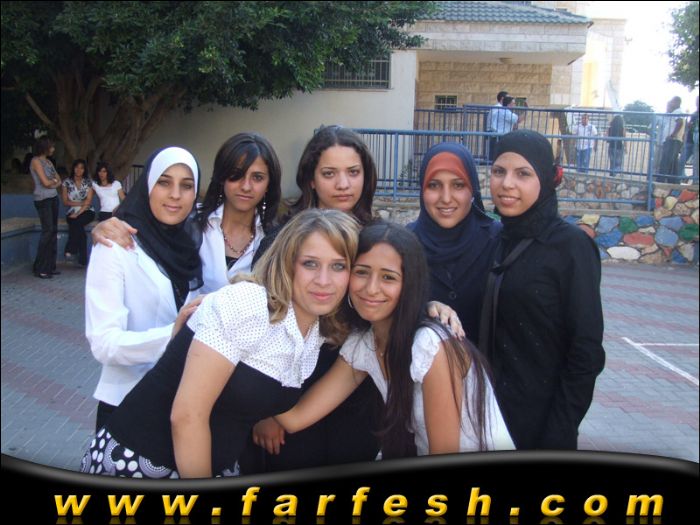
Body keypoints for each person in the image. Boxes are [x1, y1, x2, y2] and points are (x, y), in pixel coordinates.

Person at [80, 209, 360, 478]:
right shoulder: (248, 304)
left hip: (210, 467)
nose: (324, 280)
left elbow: (292, 418)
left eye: (338, 266)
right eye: (310, 263)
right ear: (288, 263)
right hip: (140, 464)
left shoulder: (311, 333)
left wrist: (370, 354)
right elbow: (187, 415)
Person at [275, 221, 515, 456]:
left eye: (388, 277)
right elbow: (295, 418)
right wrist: (257, 349)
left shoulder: (429, 346)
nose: (371, 288)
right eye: (361, 272)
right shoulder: (365, 344)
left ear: (409, 284)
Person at [480, 130, 605, 450]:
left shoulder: (570, 247)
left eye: (523, 174)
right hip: (490, 421)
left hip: (543, 429)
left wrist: (560, 430)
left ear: (547, 180)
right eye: (499, 171)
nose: (507, 184)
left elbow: (586, 351)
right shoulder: (497, 239)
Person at [85, 146, 204, 430]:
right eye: (164, 182)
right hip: (129, 404)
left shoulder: (190, 245)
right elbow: (104, 344)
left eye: (186, 186)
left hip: (183, 406)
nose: (175, 194)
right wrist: (173, 335)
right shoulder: (115, 245)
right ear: (148, 185)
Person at [90, 133, 282, 291]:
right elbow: (144, 228)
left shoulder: (276, 240)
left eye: (257, 177)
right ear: (222, 177)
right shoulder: (187, 220)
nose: (246, 186)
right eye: (236, 174)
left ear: (269, 184)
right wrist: (104, 228)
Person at [407, 142, 501, 343]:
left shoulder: (499, 241)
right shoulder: (404, 245)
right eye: (434, 185)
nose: (446, 198)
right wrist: (424, 309)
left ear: (473, 189)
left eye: (458, 185)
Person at [29, 136, 62, 279]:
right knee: (47, 231)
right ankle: (40, 268)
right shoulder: (36, 161)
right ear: (45, 147)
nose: (53, 149)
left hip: (53, 198)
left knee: (53, 231)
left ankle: (50, 266)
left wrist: (53, 182)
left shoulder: (49, 162)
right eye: (51, 146)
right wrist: (53, 181)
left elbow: (59, 181)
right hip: (43, 199)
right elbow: (45, 182)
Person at [61, 159, 95, 266]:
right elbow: (65, 201)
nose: (79, 170)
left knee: (76, 223)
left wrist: (78, 212)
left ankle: (70, 248)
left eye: (81, 168)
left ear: (84, 170)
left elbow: (88, 201)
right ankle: (83, 260)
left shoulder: (88, 182)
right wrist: (80, 203)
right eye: (77, 167)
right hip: (72, 210)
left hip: (87, 210)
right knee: (79, 229)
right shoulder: (66, 182)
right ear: (73, 168)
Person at [657, 96, 685, 183]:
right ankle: (673, 182)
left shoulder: (677, 112)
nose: (670, 104)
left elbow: (680, 122)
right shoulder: (675, 112)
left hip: (673, 140)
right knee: (673, 163)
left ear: (677, 102)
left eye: (672, 102)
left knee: (665, 161)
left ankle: (660, 180)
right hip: (674, 140)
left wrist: (672, 135)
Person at [487, 93, 520, 162]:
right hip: (498, 134)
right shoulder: (503, 110)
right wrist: (525, 112)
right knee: (498, 155)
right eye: (513, 103)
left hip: (495, 133)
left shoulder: (500, 109)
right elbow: (517, 120)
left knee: (494, 155)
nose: (515, 105)